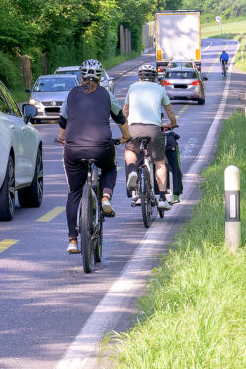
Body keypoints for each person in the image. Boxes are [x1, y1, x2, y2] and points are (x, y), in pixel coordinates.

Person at [58, 59, 130, 255]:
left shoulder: (71, 94)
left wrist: (61, 138)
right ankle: (105, 197)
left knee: (74, 193)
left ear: (81, 77)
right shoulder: (106, 94)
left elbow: (63, 121)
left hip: (73, 149)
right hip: (101, 146)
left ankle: (72, 240)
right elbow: (120, 119)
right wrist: (126, 137)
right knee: (109, 167)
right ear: (100, 78)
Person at [123, 64, 178, 210]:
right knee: (160, 161)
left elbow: (125, 111)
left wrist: (124, 128)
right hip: (154, 129)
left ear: (139, 77)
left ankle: (133, 172)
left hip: (134, 128)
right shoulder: (160, 89)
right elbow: (170, 111)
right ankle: (162, 198)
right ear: (155, 77)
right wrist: (172, 123)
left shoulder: (132, 87)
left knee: (130, 152)